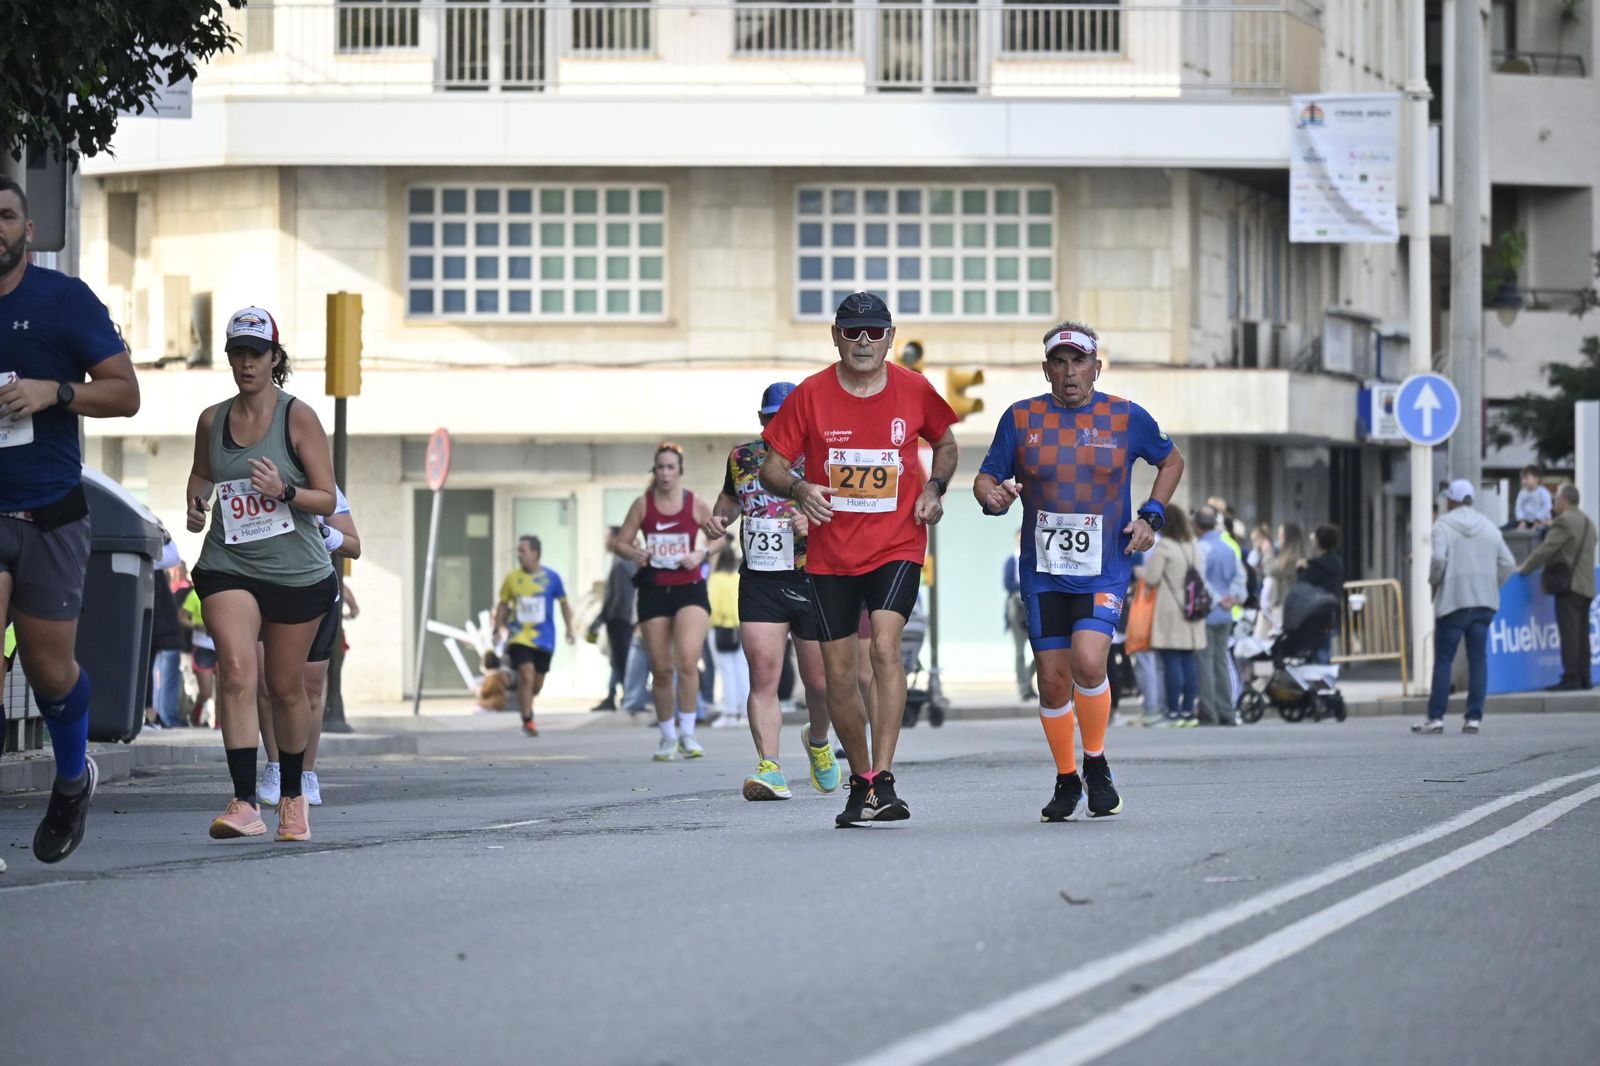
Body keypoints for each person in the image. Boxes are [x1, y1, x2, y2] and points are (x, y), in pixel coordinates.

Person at [761, 292, 958, 825]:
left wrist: (935, 488)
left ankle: (885, 776)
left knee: (886, 651)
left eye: (875, 331)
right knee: (836, 678)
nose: (864, 341)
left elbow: (946, 442)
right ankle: (864, 779)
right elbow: (771, 467)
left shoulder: (914, 389)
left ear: (891, 337)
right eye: (853, 332)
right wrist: (800, 487)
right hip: (831, 555)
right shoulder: (811, 395)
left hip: (897, 544)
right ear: (835, 336)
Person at [975, 320, 1184, 820]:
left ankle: (1096, 763)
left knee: (1090, 662)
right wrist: (994, 497)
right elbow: (986, 479)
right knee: (1052, 680)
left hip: (1103, 565)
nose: (1071, 372)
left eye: (1080, 362)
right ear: (1047, 368)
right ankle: (1067, 778)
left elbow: (1171, 462)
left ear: (1097, 367)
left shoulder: (1125, 417)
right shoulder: (1021, 419)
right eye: (1061, 362)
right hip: (1043, 570)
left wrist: (1152, 515)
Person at [0, 176, 142, 863]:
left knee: (49, 670)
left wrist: (53, 392)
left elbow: (126, 393)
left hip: (50, 511)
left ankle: (69, 778)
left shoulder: (63, 301)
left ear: (27, 230)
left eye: (5, 215)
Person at [187, 307, 337, 843]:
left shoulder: (298, 418)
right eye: (237, 353)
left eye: (256, 352)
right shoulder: (212, 419)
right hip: (229, 563)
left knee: (284, 687)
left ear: (275, 358)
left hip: (297, 572)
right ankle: (245, 800)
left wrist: (285, 492)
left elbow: (326, 495)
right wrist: (195, 505)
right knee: (234, 668)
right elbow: (203, 473)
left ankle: (293, 798)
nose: (246, 363)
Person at [703, 382, 840, 800]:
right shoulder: (742, 457)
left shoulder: (823, 456)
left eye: (784, 415)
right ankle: (770, 768)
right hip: (761, 580)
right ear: (761, 419)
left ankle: (818, 741)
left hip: (811, 576)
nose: (775, 424)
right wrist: (717, 521)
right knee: (763, 676)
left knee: (819, 684)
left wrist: (814, 522)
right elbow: (730, 501)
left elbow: (849, 514)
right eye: (769, 417)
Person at [256, 485, 361, 806]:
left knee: (311, 687)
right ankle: (275, 766)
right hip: (264, 582)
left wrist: (320, 529)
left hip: (314, 588)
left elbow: (354, 546)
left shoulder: (322, 486)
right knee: (266, 682)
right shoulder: (250, 477)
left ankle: (306, 772)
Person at [613, 443, 713, 761]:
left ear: (679, 471)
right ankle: (667, 736)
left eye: (670, 467)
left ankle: (688, 732)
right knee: (661, 668)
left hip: (690, 588)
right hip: (654, 589)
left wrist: (700, 552)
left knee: (687, 661)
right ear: (654, 472)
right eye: (660, 467)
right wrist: (634, 552)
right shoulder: (643, 505)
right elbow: (619, 542)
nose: (665, 473)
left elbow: (718, 534)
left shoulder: (694, 503)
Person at [1413, 479, 1515, 734]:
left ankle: (1436, 717)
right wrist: (1492, 584)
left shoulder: (1443, 526)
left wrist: (1434, 582)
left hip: (1454, 602)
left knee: (1444, 659)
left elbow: (1438, 558)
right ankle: (1473, 718)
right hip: (1484, 604)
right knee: (1478, 658)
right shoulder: (1489, 526)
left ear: (1452, 500)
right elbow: (1508, 563)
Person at [493, 535, 576, 737]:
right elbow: (503, 604)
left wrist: (569, 628)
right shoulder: (512, 578)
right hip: (519, 636)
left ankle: (525, 698)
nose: (519, 555)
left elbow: (564, 603)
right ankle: (527, 719)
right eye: (518, 551)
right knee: (526, 673)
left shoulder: (552, 578)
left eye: (523, 550)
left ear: (535, 553)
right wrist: (498, 627)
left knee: (536, 684)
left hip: (544, 638)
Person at [1518, 484, 1596, 691]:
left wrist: (1525, 568)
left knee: (1569, 633)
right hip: (1587, 585)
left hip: (1569, 585)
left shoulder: (1564, 522)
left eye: (1556, 500)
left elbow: (1545, 549)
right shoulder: (1589, 522)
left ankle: (1570, 677)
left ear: (1564, 501)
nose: (1554, 504)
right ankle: (1584, 677)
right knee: (1582, 634)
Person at [1143, 507, 1206, 725]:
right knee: (1188, 662)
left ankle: (1173, 711)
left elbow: (1151, 578)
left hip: (1171, 609)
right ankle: (1189, 711)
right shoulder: (1193, 546)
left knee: (1171, 662)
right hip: (1192, 608)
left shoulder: (1165, 547)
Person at [1193, 506, 1243, 726]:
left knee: (1205, 662)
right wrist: (1230, 597)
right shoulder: (1228, 547)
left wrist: (1215, 598)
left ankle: (1209, 710)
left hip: (1207, 612)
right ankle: (1227, 710)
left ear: (1197, 526)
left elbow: (1200, 580)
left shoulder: (1201, 548)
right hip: (1226, 613)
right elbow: (1239, 576)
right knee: (1221, 661)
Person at [590, 526, 637, 711]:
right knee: (617, 660)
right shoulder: (621, 560)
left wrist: (606, 617)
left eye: (608, 537)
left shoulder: (623, 563)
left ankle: (626, 696)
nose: (605, 541)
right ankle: (612, 695)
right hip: (619, 619)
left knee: (622, 660)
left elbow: (620, 597)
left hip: (620, 620)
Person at [1301, 524, 1345, 663]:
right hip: (1331, 606)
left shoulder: (1315, 566)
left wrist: (1301, 569)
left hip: (1315, 608)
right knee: (1326, 644)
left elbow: (1304, 582)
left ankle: (1319, 677)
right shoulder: (1337, 563)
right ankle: (1326, 676)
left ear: (1319, 541)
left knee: (1317, 646)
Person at [1002, 531, 1036, 701]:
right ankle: (1023, 686)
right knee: (1020, 651)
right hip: (1017, 606)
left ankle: (1029, 680)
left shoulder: (1035, 557)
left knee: (1041, 649)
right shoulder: (1012, 559)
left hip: (1033, 604)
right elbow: (1008, 583)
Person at [1512, 465, 1553, 531]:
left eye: (1526, 478)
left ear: (1536, 478)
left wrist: (1538, 520)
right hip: (1525, 521)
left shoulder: (1543, 492)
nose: (1523, 481)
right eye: (1522, 479)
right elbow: (1518, 507)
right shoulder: (1522, 493)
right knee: (1507, 528)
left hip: (1541, 521)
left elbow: (1547, 507)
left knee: (1543, 530)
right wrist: (1521, 520)